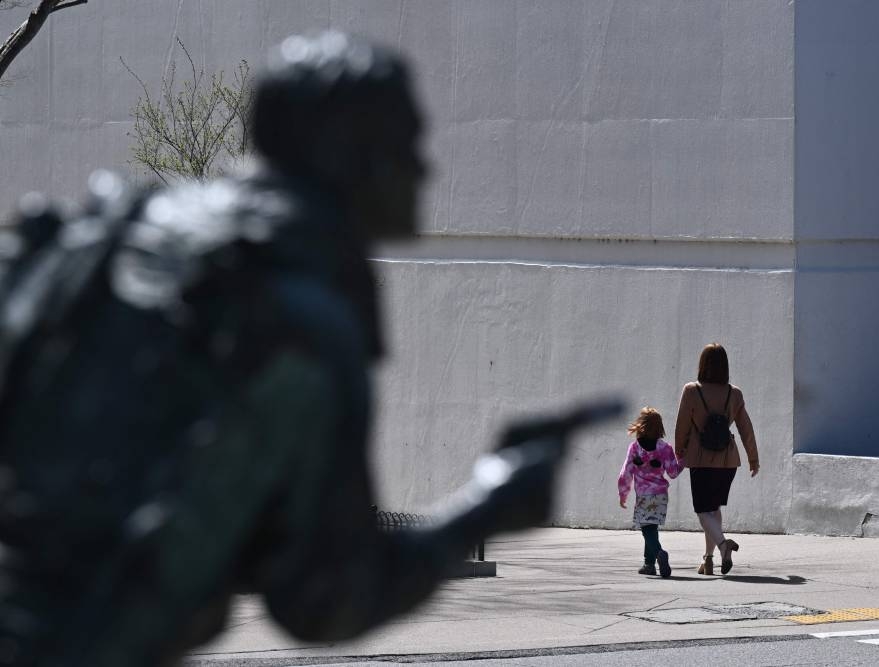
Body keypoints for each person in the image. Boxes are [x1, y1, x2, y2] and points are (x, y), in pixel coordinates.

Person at [0, 31, 620, 666]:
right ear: (346, 152)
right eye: (405, 142)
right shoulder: (303, 319)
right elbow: (325, 599)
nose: (422, 168)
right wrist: (488, 507)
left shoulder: (123, 228)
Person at [673, 343, 759, 576]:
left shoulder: (692, 391)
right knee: (714, 508)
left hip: (700, 459)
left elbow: (681, 425)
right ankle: (708, 560)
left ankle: (723, 545)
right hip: (727, 461)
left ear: (702, 364)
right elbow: (746, 429)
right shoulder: (734, 393)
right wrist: (753, 458)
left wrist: (679, 450)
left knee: (703, 511)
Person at [617, 407, 684, 578]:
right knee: (652, 526)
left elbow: (625, 473)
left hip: (644, 496)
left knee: (646, 529)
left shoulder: (634, 448)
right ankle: (649, 564)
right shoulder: (665, 448)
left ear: (641, 425)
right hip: (661, 495)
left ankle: (659, 552)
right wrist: (682, 460)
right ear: (660, 426)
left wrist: (623, 494)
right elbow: (673, 473)